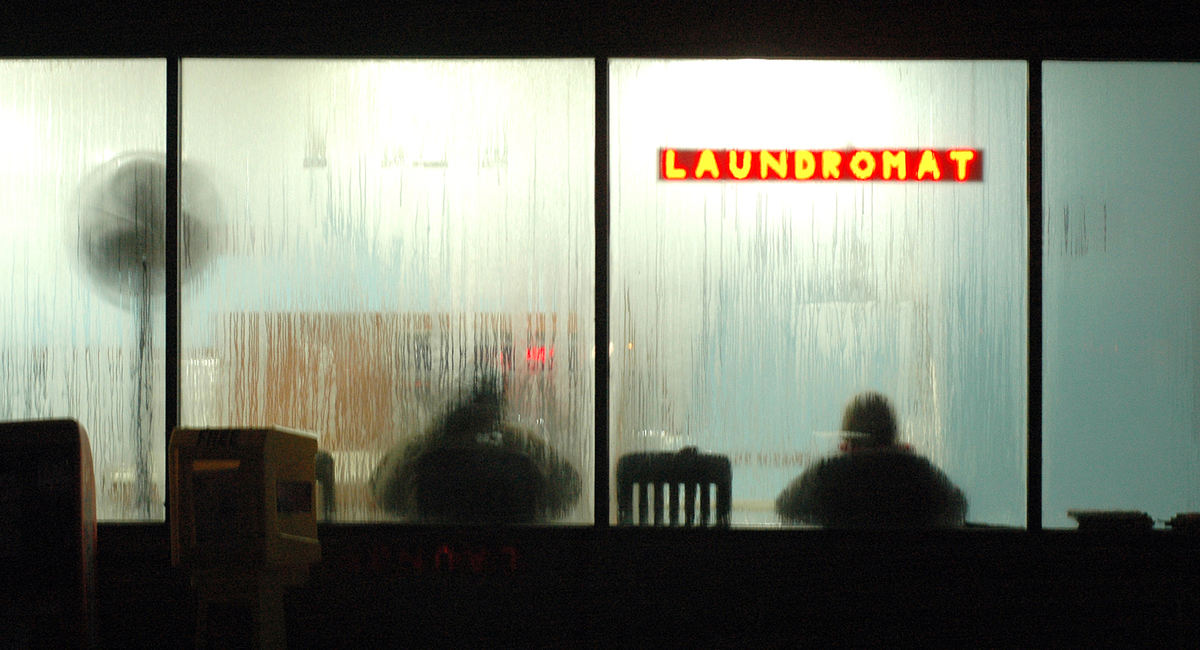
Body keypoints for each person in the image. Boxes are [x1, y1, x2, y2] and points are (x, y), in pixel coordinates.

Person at [370, 377, 581, 524]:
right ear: (499, 410)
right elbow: (570, 489)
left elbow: (383, 494)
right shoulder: (522, 443)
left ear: (454, 405)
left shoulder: (420, 445)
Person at [775, 391, 967, 528]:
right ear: (894, 437)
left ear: (846, 441)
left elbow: (784, 506)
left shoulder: (827, 475)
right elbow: (958, 507)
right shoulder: (918, 472)